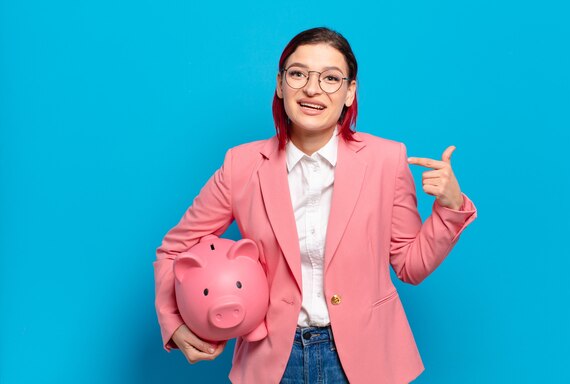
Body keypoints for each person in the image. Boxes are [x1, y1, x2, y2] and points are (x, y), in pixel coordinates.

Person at [154, 27, 477, 384]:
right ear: (280, 85)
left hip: (366, 358)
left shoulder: (387, 159)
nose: (312, 88)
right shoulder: (241, 165)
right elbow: (175, 249)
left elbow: (410, 266)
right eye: (298, 74)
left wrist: (449, 208)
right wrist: (174, 322)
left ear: (350, 92)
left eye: (330, 78)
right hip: (273, 360)